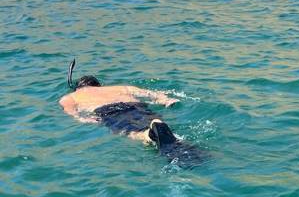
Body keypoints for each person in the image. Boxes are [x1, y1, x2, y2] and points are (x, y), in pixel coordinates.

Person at [59, 59, 204, 166]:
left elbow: (71, 111)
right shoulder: (120, 88)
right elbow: (148, 93)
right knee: (147, 120)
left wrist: (85, 119)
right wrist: (164, 99)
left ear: (78, 88)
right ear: (99, 85)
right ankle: (165, 131)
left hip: (109, 112)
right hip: (136, 106)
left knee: (131, 131)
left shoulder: (71, 97)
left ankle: (149, 135)